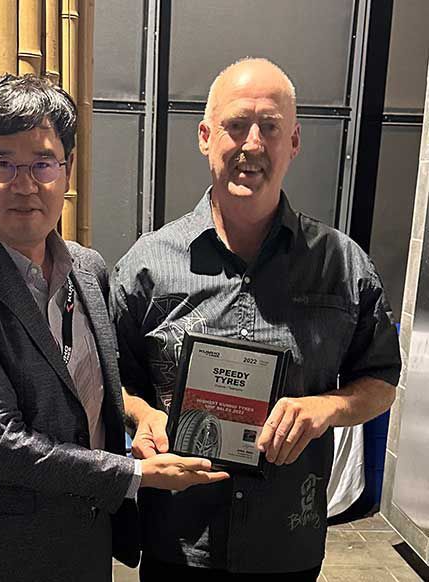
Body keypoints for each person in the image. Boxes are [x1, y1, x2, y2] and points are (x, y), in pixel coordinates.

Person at [0, 74, 228, 582]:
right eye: (1, 162)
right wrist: (137, 474)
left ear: (67, 169)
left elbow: (89, 386)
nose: (25, 184)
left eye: (43, 162)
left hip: (84, 539)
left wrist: (139, 415)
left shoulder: (88, 267)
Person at [110, 58, 401, 580]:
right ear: (205, 137)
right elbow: (114, 381)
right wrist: (142, 415)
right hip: (178, 541)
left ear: (294, 142)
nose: (252, 143)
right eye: (236, 124)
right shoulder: (146, 265)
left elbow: (380, 381)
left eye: (269, 127)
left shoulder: (342, 265)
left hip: (286, 543)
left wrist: (325, 408)